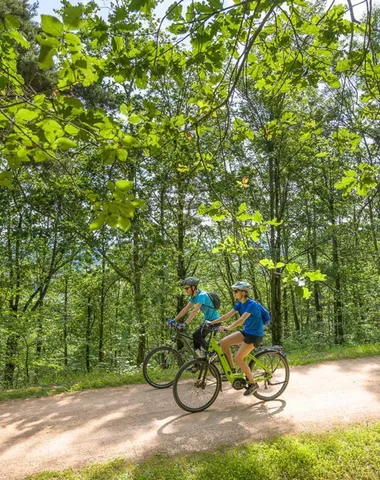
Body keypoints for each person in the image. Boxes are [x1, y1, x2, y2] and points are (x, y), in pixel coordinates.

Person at [208, 281, 265, 396]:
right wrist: (211, 322)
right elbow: (226, 316)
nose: (234, 293)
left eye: (236, 291)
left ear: (243, 292)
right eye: (234, 291)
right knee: (224, 342)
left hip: (255, 336)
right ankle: (231, 371)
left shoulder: (251, 305)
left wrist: (228, 328)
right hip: (247, 332)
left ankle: (253, 384)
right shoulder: (240, 303)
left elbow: (240, 321)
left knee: (238, 358)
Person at [172, 277, 220, 356]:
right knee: (196, 338)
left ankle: (213, 353)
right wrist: (174, 319)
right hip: (207, 321)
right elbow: (186, 309)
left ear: (193, 287)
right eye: (185, 289)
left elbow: (195, 311)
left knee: (196, 336)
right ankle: (199, 361)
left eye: (187, 288)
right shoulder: (194, 297)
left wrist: (185, 323)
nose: (185, 290)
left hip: (215, 321)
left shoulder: (201, 295)